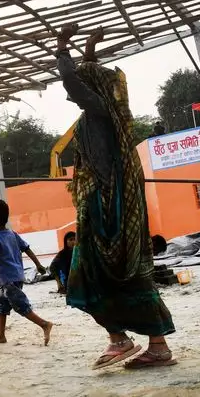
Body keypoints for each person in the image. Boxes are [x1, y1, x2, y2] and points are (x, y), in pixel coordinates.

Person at [55, 23, 176, 370]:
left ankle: (126, 341)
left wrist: (63, 47)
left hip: (104, 208)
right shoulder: (105, 111)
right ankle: (145, 343)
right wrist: (90, 48)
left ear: (94, 91)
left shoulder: (98, 111)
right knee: (121, 274)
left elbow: (73, 82)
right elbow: (86, 77)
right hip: (109, 205)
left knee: (94, 274)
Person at [0, 198, 54, 346]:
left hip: (8, 280)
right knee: (1, 304)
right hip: (16, 277)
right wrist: (38, 265)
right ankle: (1, 335)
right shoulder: (12, 234)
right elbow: (27, 248)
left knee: (20, 305)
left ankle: (44, 324)